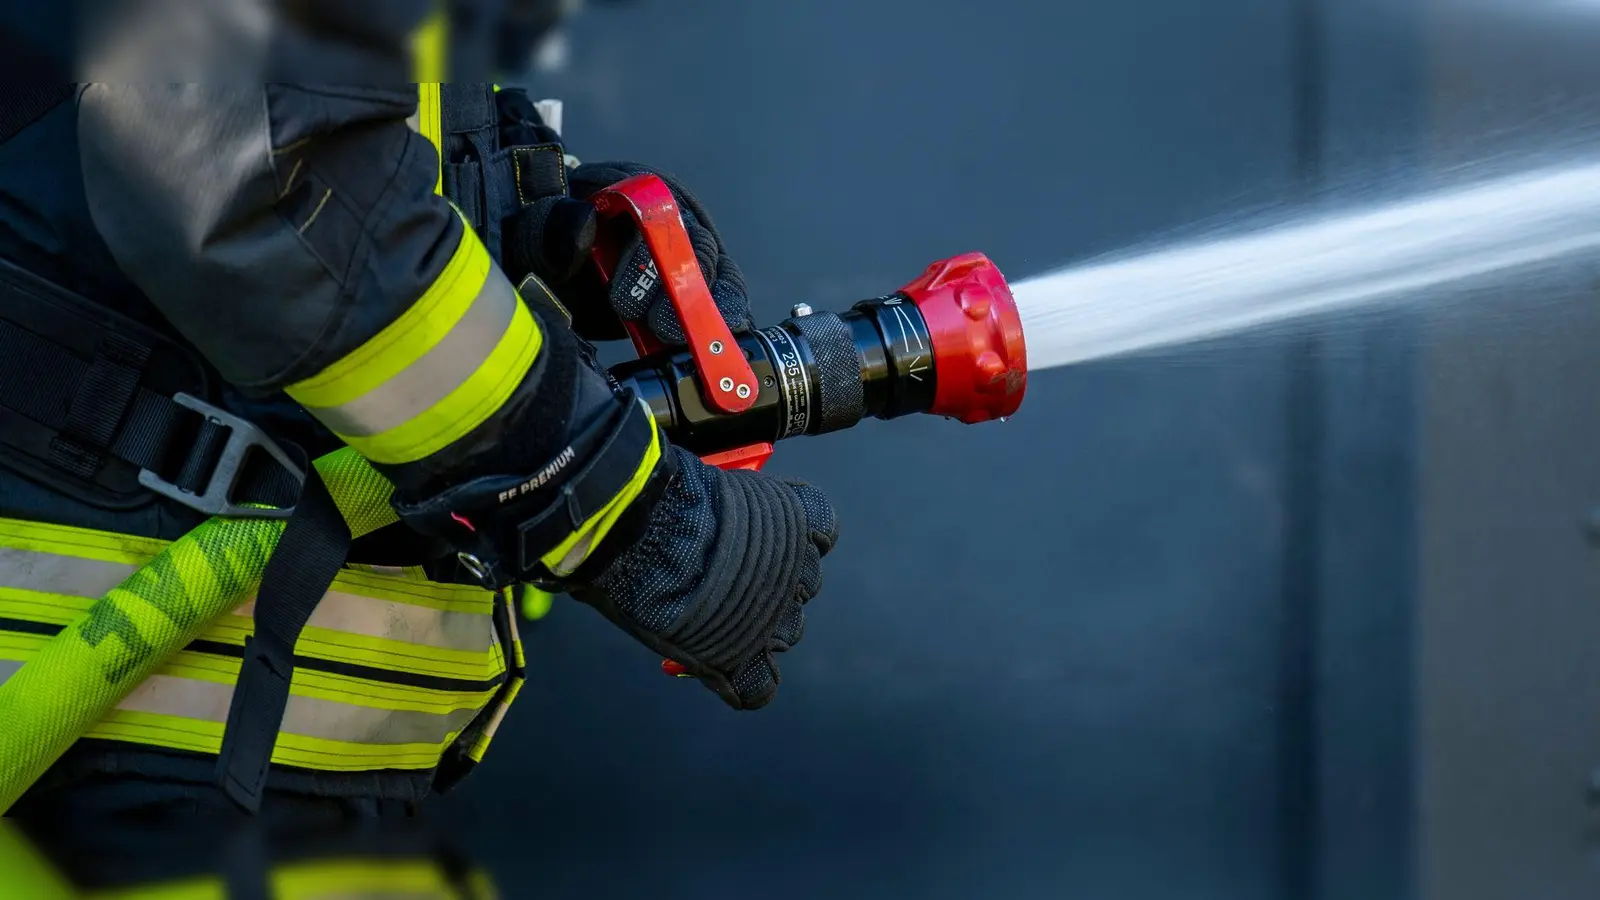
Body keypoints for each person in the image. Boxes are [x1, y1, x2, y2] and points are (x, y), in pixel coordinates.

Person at [0, 0, 838, 823]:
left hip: (193, 749)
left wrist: (518, 223)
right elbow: (250, 175)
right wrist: (631, 516)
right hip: (111, 731)